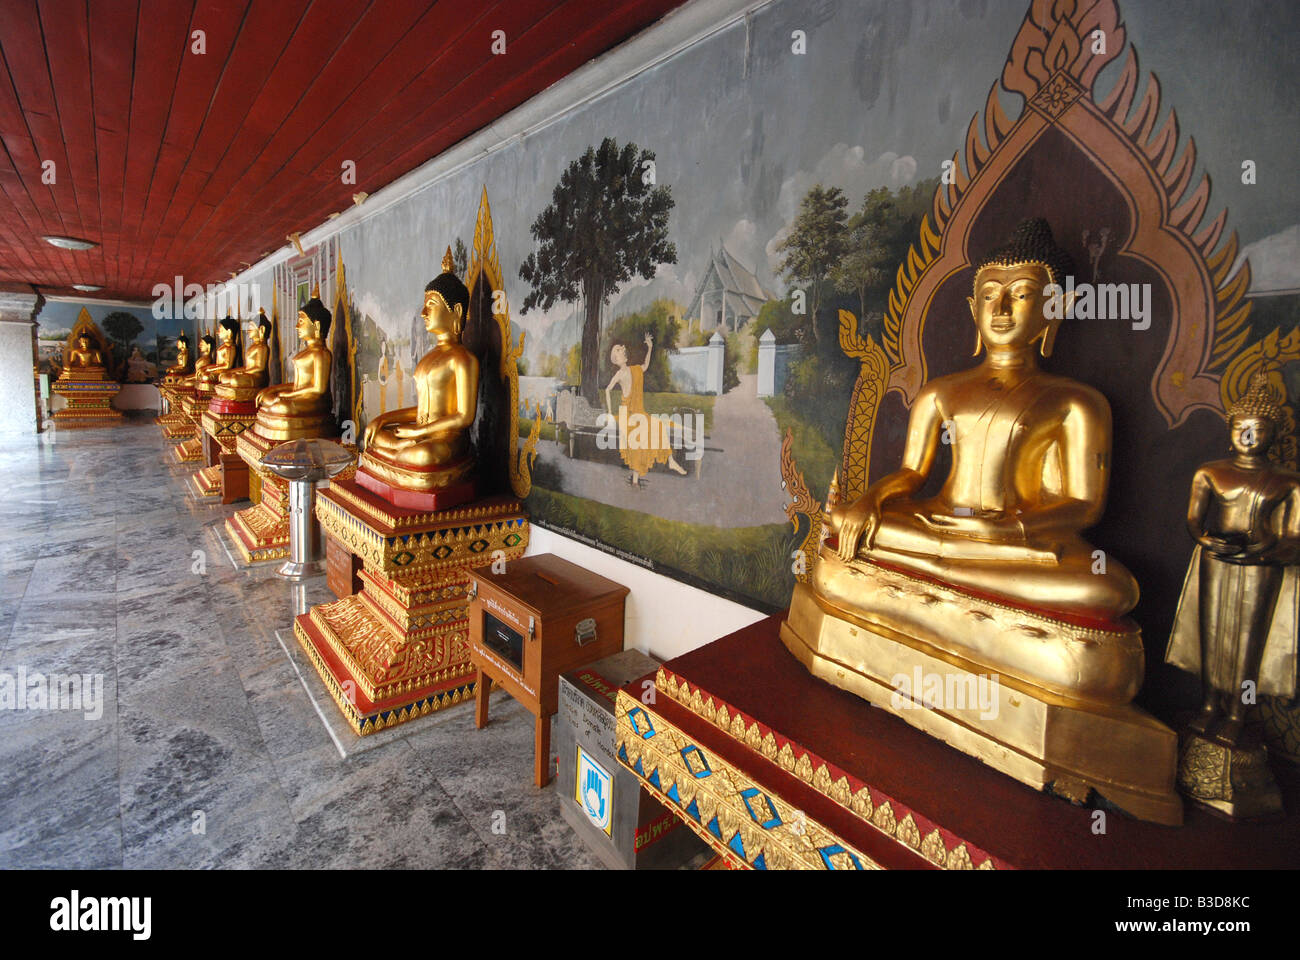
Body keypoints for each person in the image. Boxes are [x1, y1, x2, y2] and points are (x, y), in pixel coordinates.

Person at [604, 332, 687, 486]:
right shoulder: (619, 374)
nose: (623, 351)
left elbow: (645, 366)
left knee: (657, 427)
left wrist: (650, 348)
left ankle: (670, 461)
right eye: (619, 351)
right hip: (627, 415)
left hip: (638, 412)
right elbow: (607, 390)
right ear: (616, 359)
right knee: (638, 442)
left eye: (622, 350)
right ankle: (636, 479)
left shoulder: (635, 369)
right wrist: (609, 413)